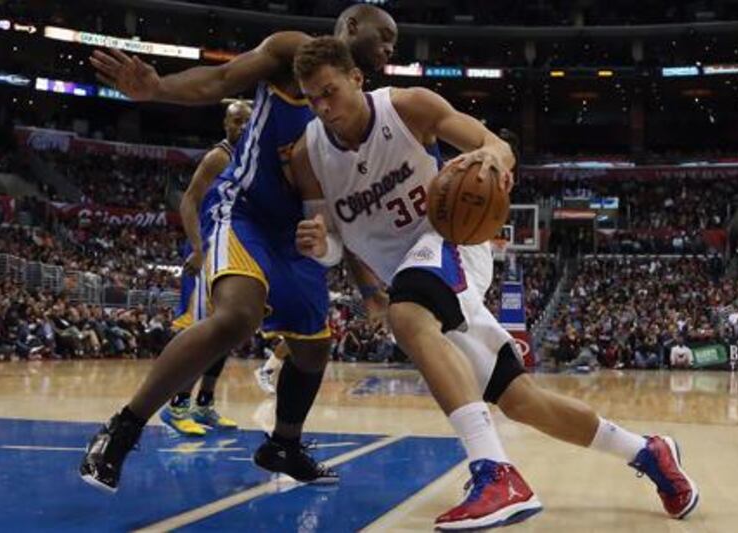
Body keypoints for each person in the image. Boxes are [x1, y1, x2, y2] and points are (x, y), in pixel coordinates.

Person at [288, 37, 699, 530]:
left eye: (329, 91)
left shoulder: (407, 107)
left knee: (407, 312)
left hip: (451, 243)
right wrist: (320, 245)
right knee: (520, 400)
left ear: (357, 78)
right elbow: (334, 241)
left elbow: (496, 146)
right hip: (409, 274)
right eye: (312, 98)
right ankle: (648, 452)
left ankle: (495, 473)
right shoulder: (308, 155)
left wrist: (491, 161)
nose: (322, 106)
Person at [80, 5, 398, 492]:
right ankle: (122, 429)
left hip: (298, 231)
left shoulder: (360, 108)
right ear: (353, 26)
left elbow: (343, 209)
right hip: (243, 209)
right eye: (387, 35)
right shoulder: (294, 50)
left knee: (313, 351)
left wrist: (369, 290)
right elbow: (222, 77)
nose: (391, 47)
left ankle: (283, 445)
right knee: (237, 316)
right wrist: (158, 87)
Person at [160, 100, 252, 437]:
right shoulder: (220, 156)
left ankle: (204, 404)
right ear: (226, 124)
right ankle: (177, 406)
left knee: (225, 334)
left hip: (231, 250)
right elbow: (189, 201)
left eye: (247, 122)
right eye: (236, 121)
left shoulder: (249, 160)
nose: (241, 127)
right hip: (208, 247)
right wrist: (197, 249)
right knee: (201, 332)